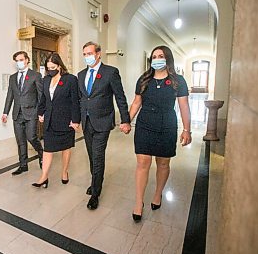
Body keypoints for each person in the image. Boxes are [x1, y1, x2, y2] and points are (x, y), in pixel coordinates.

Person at [128, 45, 191, 222]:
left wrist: (187, 130)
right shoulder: (144, 79)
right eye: (154, 57)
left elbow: (183, 105)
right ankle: (138, 202)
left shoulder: (178, 80)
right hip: (145, 125)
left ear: (167, 58)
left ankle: (157, 194)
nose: (157, 59)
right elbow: (136, 102)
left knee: (163, 163)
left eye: (160, 56)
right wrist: (127, 121)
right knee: (142, 162)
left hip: (167, 125)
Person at [78, 41, 131, 210]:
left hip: (103, 121)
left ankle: (95, 193)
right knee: (92, 156)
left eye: (90, 53)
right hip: (86, 122)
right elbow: (81, 99)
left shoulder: (110, 72)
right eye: (84, 54)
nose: (87, 57)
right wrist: (76, 119)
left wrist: (125, 119)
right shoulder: (80, 75)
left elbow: (120, 97)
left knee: (98, 155)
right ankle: (96, 181)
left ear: (98, 53)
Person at [32, 53, 80, 188]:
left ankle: (64, 172)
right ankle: (44, 177)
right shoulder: (46, 79)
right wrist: (40, 113)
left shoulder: (70, 80)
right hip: (50, 120)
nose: (50, 70)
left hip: (66, 120)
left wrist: (75, 120)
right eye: (48, 68)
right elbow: (44, 99)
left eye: (53, 67)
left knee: (66, 148)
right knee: (48, 149)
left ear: (59, 65)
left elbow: (75, 102)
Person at [2, 51, 44, 175]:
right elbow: (10, 95)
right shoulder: (13, 77)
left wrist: (41, 112)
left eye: (21, 60)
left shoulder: (35, 76)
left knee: (31, 137)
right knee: (20, 141)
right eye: (17, 61)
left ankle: (41, 153)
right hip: (17, 113)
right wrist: (5, 112)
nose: (19, 63)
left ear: (27, 60)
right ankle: (23, 165)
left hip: (31, 112)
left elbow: (41, 95)